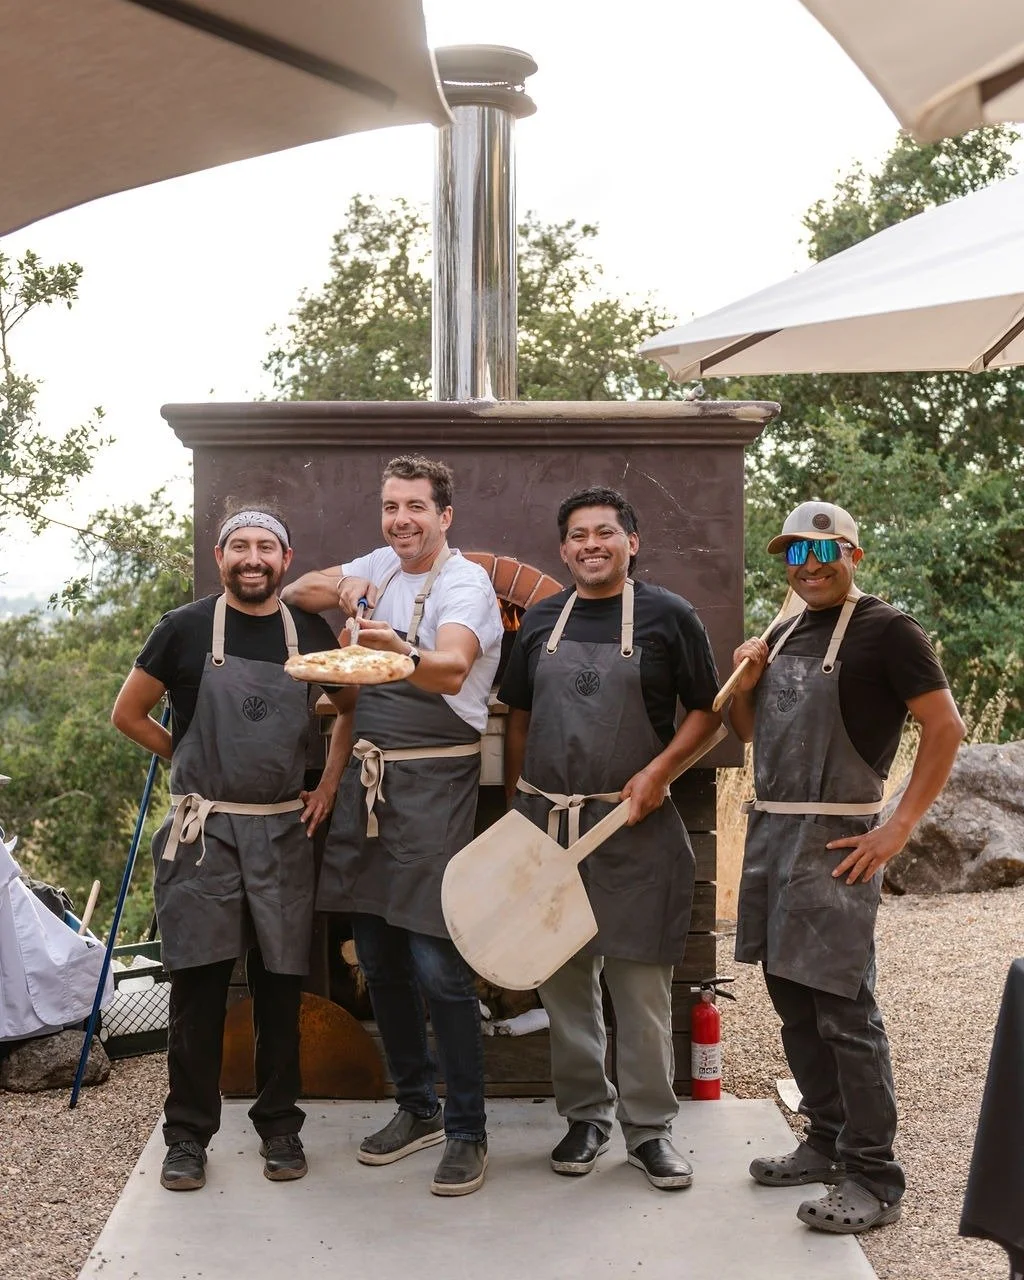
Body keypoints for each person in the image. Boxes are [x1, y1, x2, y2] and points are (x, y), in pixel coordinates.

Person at [726, 500, 964, 1234]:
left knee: (843, 1010)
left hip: (837, 844)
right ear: (786, 565)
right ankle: (825, 1141)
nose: (813, 566)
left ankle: (874, 1174)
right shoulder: (784, 627)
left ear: (855, 556)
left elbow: (946, 727)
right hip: (774, 835)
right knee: (791, 1000)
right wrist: (746, 678)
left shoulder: (889, 631)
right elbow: (750, 736)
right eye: (797, 554)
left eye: (828, 552)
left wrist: (895, 828)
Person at [111, 508, 352, 1192]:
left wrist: (328, 781)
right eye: (240, 546)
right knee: (199, 988)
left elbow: (349, 704)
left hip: (281, 828)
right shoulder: (183, 630)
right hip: (204, 832)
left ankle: (280, 1129)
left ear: (286, 556)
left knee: (280, 985)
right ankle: (187, 1136)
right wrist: (186, 759)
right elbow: (127, 714)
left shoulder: (309, 632)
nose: (253, 557)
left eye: (266, 547)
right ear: (220, 556)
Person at [281, 455, 503, 1197]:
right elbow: (297, 589)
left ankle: (468, 1129)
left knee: (440, 967)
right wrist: (346, 585)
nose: (401, 519)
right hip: (366, 790)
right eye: (390, 506)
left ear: (446, 515)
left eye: (415, 507)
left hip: (436, 785)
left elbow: (448, 669)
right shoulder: (382, 560)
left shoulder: (465, 583)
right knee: (375, 957)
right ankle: (418, 1107)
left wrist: (397, 650)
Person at [498, 486, 723, 1190]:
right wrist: (516, 812)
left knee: (641, 989)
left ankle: (649, 1130)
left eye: (605, 532)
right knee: (565, 986)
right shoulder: (540, 620)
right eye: (577, 535)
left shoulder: (668, 616)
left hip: (633, 828)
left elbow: (708, 713)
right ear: (563, 550)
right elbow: (518, 720)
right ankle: (586, 1116)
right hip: (549, 826)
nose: (591, 544)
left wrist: (660, 771)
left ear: (632, 542)